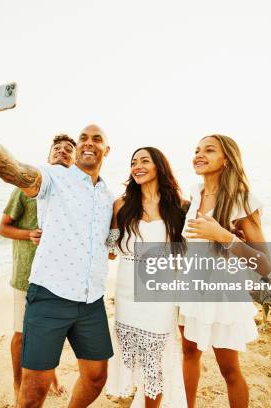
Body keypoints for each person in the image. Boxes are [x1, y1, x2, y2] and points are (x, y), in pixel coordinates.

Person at [0, 84, 115, 408]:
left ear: (107, 150)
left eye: (95, 139)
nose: (88, 142)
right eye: (83, 137)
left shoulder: (108, 196)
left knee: (97, 376)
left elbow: (111, 237)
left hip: (91, 298)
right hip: (49, 295)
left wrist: (113, 246)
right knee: (33, 391)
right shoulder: (53, 179)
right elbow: (13, 170)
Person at [178, 134, 271, 408]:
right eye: (196, 150)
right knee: (189, 353)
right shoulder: (195, 193)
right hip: (190, 288)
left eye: (209, 150)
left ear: (226, 159)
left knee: (228, 368)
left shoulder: (242, 200)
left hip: (223, 295)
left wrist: (223, 236)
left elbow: (264, 264)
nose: (199, 154)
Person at [106, 147, 188, 408]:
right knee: (132, 359)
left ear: (159, 166)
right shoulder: (121, 204)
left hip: (161, 295)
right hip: (126, 293)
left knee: (155, 362)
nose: (137, 166)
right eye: (133, 162)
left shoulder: (180, 206)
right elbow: (109, 250)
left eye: (144, 161)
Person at [0, 134, 77, 400]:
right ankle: (17, 384)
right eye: (57, 149)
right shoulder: (25, 188)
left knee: (50, 334)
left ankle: (51, 375)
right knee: (21, 334)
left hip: (57, 277)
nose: (62, 152)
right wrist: (29, 233)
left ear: (75, 160)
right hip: (26, 276)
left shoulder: (73, 193)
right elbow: (3, 228)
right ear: (48, 156)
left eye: (68, 150)